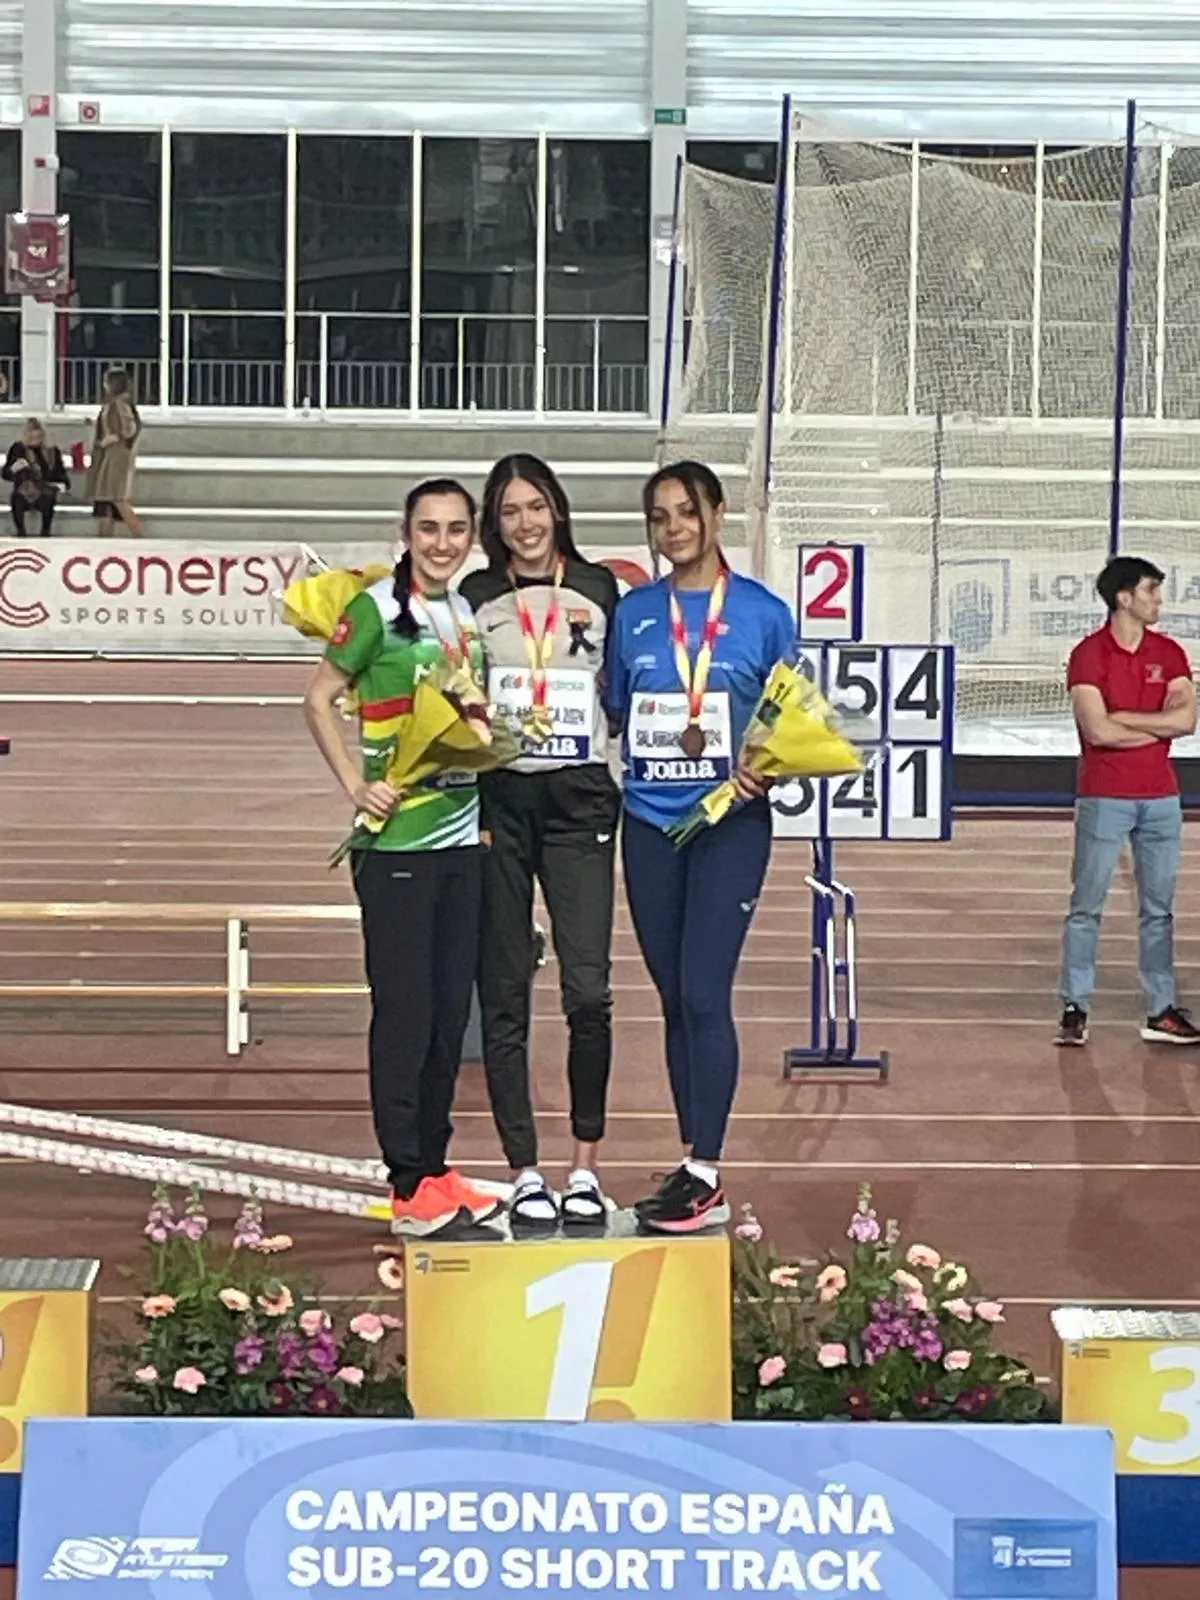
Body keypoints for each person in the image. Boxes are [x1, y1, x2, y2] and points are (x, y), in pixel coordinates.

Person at [303, 478, 505, 1236]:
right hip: (396, 849)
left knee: (451, 1015)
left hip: (460, 844)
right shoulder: (376, 610)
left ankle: (436, 1165)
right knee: (407, 1016)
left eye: (456, 529)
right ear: (406, 531)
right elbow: (318, 697)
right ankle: (406, 1180)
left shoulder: (464, 616)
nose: (443, 542)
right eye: (429, 529)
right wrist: (357, 785)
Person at [605, 461, 796, 1232]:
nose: (674, 528)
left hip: (729, 826)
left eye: (687, 512)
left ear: (717, 516)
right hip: (649, 823)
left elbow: (792, 718)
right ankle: (691, 1163)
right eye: (660, 517)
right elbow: (619, 712)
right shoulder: (633, 615)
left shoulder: (764, 613)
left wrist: (764, 769)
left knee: (702, 991)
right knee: (670, 996)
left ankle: (708, 1168)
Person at [460, 455, 621, 1230]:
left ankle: (584, 1165)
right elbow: (458, 699)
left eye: (537, 507)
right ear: (496, 524)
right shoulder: (478, 597)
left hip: (581, 798)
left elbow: (618, 697)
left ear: (558, 509)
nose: (526, 523)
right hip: (500, 801)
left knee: (588, 988)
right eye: (510, 511)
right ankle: (522, 1168)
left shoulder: (599, 588)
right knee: (505, 990)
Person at [1057, 555, 1200, 1047]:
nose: (1158, 600)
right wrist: (1153, 725)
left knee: (1159, 910)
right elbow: (1096, 728)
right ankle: (1075, 1005)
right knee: (1087, 905)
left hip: (1160, 797)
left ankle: (1161, 1009)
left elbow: (1186, 721)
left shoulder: (1171, 652)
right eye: (1151, 591)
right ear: (1124, 597)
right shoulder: (1089, 654)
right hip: (1104, 796)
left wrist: (1128, 720)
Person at [86, 368, 144, 537]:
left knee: (118, 497)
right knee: (106, 500)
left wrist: (112, 438)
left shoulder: (120, 402)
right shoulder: (115, 402)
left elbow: (128, 429)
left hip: (117, 455)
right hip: (110, 454)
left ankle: (139, 536)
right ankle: (105, 537)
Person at [2, 418, 69, 536]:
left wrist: (61, 485)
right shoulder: (18, 449)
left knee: (48, 499)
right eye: (31, 435)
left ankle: (45, 533)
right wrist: (14, 469)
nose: (35, 439)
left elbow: (62, 477)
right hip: (23, 491)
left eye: (38, 436)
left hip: (43, 490)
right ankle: (21, 532)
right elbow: (5, 474)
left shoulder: (52, 452)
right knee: (16, 500)